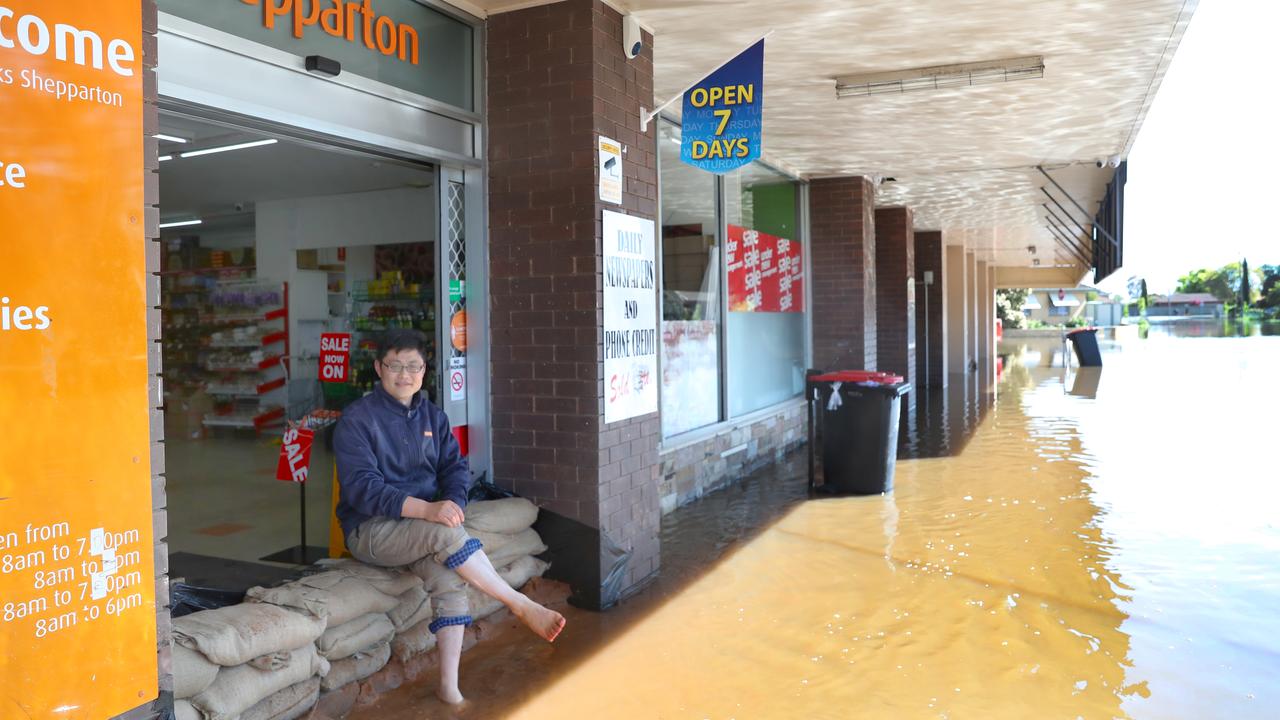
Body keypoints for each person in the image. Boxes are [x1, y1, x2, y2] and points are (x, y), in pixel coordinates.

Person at [333, 329, 565, 705]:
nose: (404, 374)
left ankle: (449, 689)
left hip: (422, 529)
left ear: (425, 372)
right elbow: (363, 489)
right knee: (444, 536)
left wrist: (453, 503)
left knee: (450, 582)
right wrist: (427, 510)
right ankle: (519, 604)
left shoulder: (432, 416)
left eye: (414, 366)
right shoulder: (358, 419)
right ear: (378, 368)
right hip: (372, 530)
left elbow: (454, 468)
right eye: (395, 365)